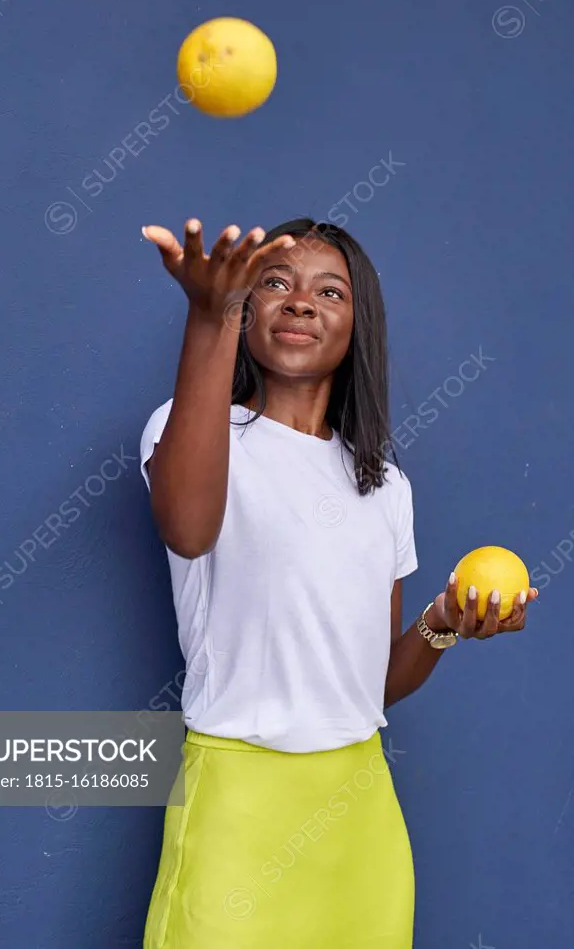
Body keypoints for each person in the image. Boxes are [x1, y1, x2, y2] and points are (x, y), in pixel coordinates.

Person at [138, 217, 538, 949]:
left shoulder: (384, 487)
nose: (300, 302)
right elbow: (188, 529)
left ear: (358, 327)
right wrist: (209, 314)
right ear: (247, 309)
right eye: (274, 284)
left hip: (359, 811)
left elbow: (369, 683)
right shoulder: (193, 427)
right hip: (238, 799)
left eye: (330, 291)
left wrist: (446, 618)